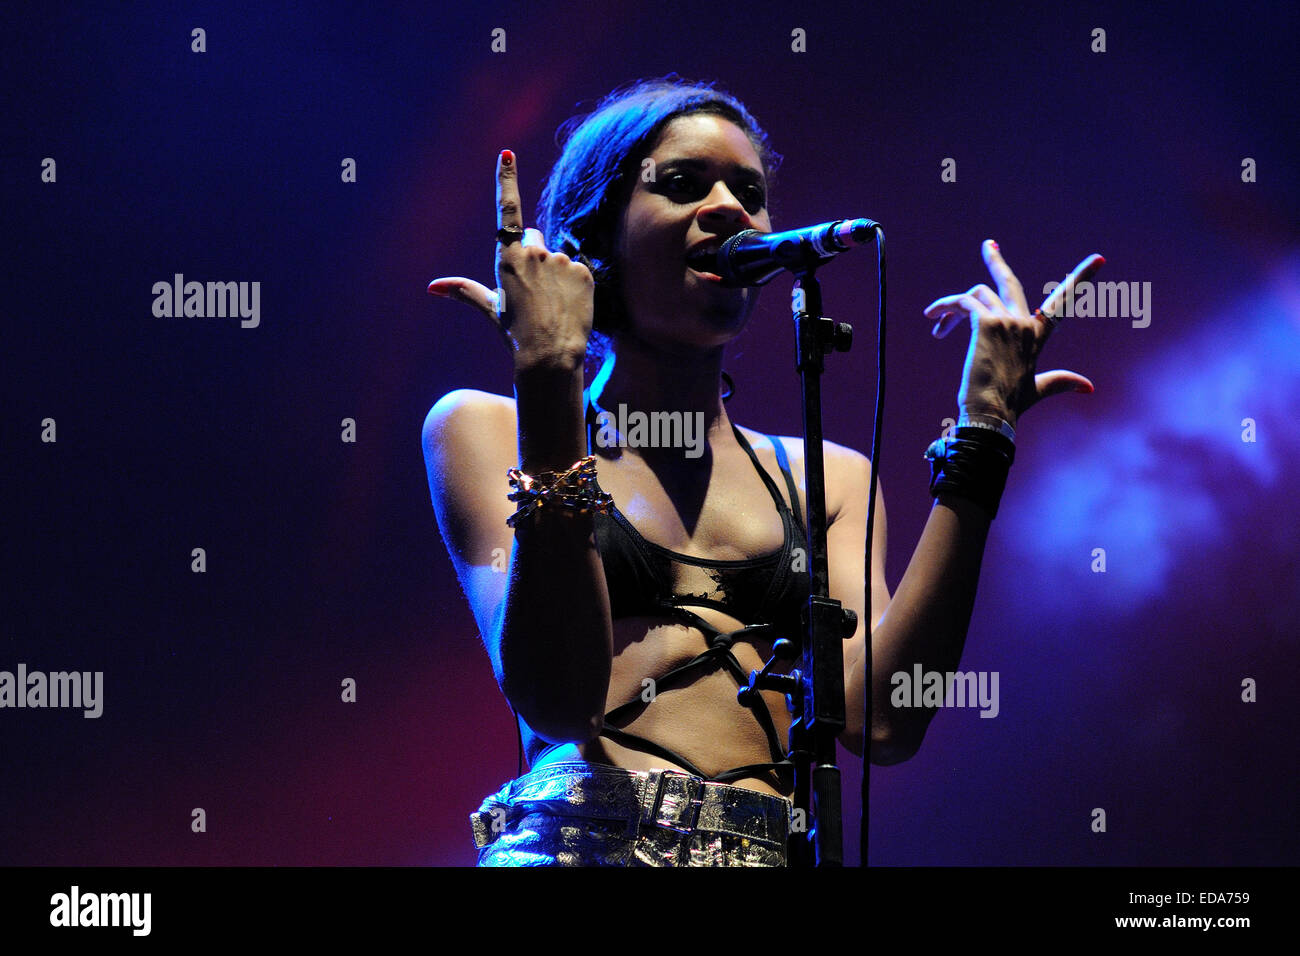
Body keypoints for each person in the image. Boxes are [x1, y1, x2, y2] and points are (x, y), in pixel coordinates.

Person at [422, 76, 1099, 866]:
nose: (729, 208)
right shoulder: (485, 425)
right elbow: (557, 696)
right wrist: (547, 374)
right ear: (593, 241)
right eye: (681, 184)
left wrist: (983, 436)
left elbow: (879, 721)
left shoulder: (830, 479)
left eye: (749, 191)